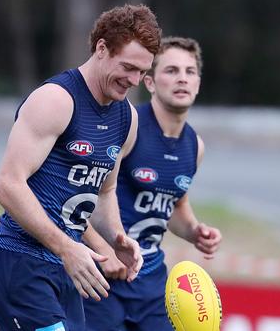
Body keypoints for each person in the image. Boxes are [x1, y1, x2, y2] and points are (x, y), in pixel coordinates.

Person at [0, 4, 162, 330]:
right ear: (101, 48)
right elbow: (7, 185)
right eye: (128, 67)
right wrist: (68, 247)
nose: (134, 80)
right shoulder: (56, 100)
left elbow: (103, 192)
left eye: (142, 73)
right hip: (20, 261)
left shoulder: (126, 117)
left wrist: (116, 237)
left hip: (67, 269)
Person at [82, 37, 222, 330]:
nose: (182, 78)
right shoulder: (128, 125)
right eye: (171, 70)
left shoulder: (194, 146)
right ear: (149, 82)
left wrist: (195, 231)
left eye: (190, 71)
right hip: (101, 278)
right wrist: (102, 249)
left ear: (198, 83)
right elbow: (82, 193)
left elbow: (174, 202)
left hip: (151, 284)